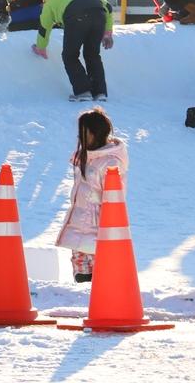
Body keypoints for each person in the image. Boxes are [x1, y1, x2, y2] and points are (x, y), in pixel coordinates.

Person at [55, 108, 127, 283]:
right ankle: (83, 304)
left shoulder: (110, 162)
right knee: (81, 275)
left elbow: (114, 199)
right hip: (79, 224)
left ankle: (100, 307)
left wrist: (109, 228)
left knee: (101, 277)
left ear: (96, 133)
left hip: (98, 229)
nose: (80, 138)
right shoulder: (85, 157)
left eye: (84, 133)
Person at [31, 0, 114, 103]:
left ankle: (83, 92)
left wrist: (40, 47)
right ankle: (100, 93)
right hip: (98, 13)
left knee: (70, 55)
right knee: (93, 55)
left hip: (75, 15)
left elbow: (44, 26)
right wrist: (107, 32)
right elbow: (108, 7)